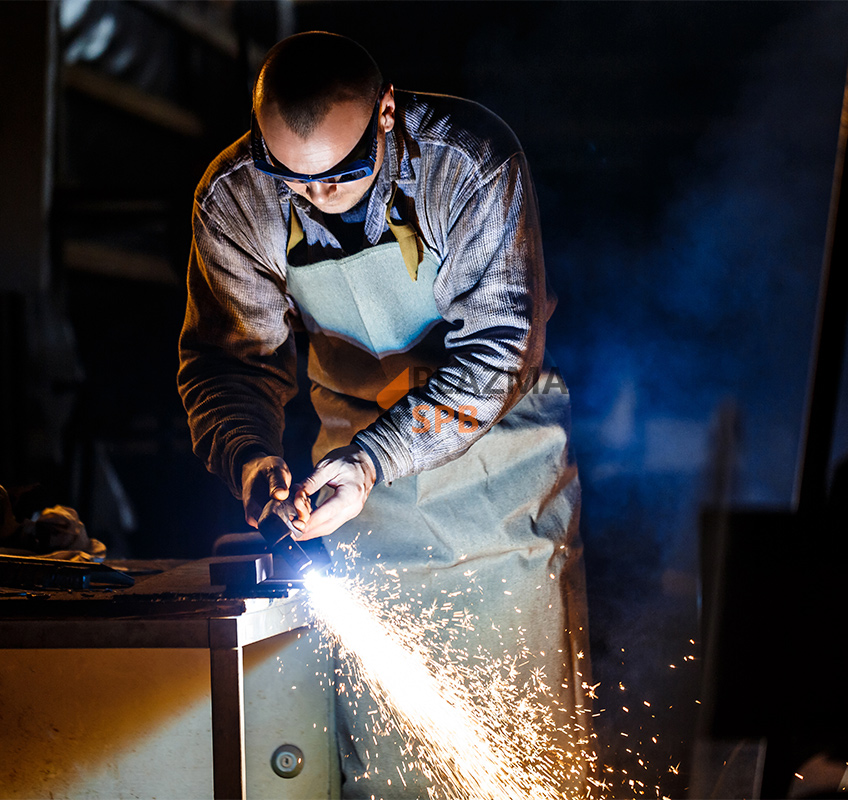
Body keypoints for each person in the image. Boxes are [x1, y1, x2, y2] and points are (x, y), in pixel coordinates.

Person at [178, 31, 591, 798]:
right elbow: (229, 361)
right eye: (292, 179)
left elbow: (499, 350)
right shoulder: (234, 198)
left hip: (499, 464)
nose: (318, 195)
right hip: (357, 474)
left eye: (344, 174)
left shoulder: (465, 164)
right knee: (392, 764)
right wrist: (250, 456)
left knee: (529, 735)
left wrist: (373, 461)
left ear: (387, 113)